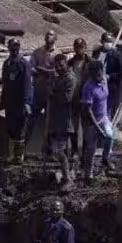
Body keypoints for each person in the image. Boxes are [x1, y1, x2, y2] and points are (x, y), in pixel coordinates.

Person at [0, 38, 33, 164]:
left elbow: (27, 84)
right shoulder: (7, 63)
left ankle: (19, 157)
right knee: (11, 128)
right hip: (10, 102)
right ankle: (12, 155)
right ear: (8, 48)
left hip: (20, 103)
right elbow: (5, 83)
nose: (14, 49)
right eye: (12, 47)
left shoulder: (23, 63)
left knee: (20, 130)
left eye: (16, 47)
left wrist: (26, 102)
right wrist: (2, 101)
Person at [81, 60, 116, 182]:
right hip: (91, 122)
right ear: (91, 73)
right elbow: (88, 111)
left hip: (104, 117)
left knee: (109, 137)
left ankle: (105, 158)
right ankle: (88, 174)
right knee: (91, 149)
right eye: (95, 73)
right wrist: (98, 128)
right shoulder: (88, 87)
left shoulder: (104, 80)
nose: (98, 75)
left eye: (100, 72)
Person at [47, 53, 76, 189]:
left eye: (61, 65)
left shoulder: (70, 78)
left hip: (65, 120)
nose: (58, 68)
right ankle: (67, 175)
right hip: (56, 120)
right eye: (56, 66)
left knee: (59, 150)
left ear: (66, 64)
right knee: (58, 150)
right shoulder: (59, 78)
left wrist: (53, 92)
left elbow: (66, 98)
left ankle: (68, 179)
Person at [29, 30, 58, 150]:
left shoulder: (58, 54)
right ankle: (24, 147)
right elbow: (31, 68)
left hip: (51, 93)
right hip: (38, 92)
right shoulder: (37, 52)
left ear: (55, 38)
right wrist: (44, 72)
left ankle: (48, 149)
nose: (48, 36)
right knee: (31, 119)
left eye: (51, 34)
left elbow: (56, 72)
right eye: (47, 34)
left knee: (49, 122)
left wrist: (41, 70)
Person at [68, 37, 91, 158]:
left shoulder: (90, 62)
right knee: (73, 125)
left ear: (85, 48)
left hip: (86, 96)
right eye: (77, 47)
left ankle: (86, 150)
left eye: (81, 47)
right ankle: (75, 150)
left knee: (86, 124)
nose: (79, 49)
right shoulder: (70, 62)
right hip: (74, 96)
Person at [93, 32, 122, 117]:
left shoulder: (117, 55)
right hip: (96, 85)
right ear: (102, 41)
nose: (108, 43)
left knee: (108, 109)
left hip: (110, 86)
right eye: (106, 41)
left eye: (110, 41)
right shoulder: (96, 53)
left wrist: (110, 76)